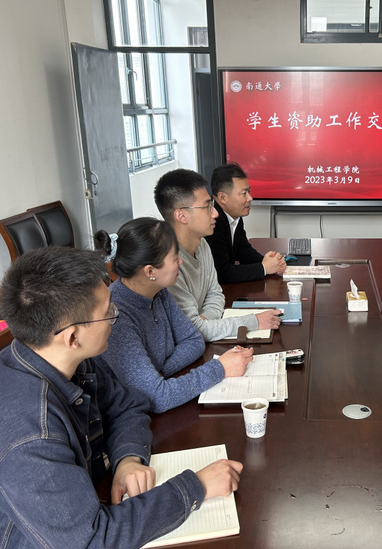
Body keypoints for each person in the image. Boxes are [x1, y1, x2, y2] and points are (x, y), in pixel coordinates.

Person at [0, 246, 243, 549]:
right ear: (72, 337)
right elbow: (91, 540)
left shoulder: (60, 356)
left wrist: (128, 459)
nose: (115, 318)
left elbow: (127, 406)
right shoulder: (28, 432)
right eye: (109, 313)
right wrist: (195, 487)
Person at [94, 218, 254, 413]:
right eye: (174, 257)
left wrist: (159, 373)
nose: (180, 262)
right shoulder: (116, 316)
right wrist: (219, 368)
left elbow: (194, 340)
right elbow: (157, 398)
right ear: (150, 271)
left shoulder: (158, 291)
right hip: (127, 417)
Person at [154, 168, 282, 341]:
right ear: (181, 215)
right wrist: (254, 321)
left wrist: (206, 322)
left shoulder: (202, 244)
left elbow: (215, 293)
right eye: (207, 206)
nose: (215, 213)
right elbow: (192, 331)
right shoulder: (166, 264)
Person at [206, 162, 287, 283]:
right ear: (222, 198)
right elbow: (222, 273)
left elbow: (243, 251)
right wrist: (264, 268)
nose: (250, 198)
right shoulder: (211, 223)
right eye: (244, 194)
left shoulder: (234, 214)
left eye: (249, 192)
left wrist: (270, 262)